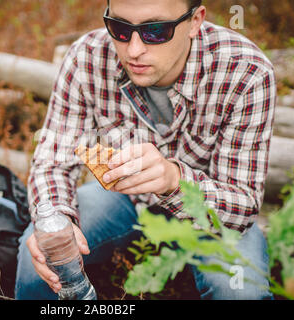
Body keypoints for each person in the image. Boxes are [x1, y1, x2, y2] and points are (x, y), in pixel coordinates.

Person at [15, 0, 276, 300]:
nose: (133, 50)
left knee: (240, 293)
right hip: (123, 197)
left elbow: (241, 206)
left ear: (195, 21)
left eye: (155, 31)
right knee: (38, 258)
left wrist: (173, 181)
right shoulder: (87, 56)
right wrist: (59, 221)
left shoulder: (246, 71)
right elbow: (52, 161)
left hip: (209, 212)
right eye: (120, 28)